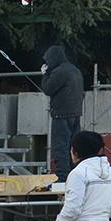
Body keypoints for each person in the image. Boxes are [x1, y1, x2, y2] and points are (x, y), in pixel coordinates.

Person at [41, 44, 84, 180]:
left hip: (61, 114)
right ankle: (75, 175)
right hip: (76, 113)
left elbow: (48, 88)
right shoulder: (75, 70)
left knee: (60, 147)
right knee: (74, 147)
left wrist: (45, 74)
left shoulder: (60, 71)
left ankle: (63, 177)